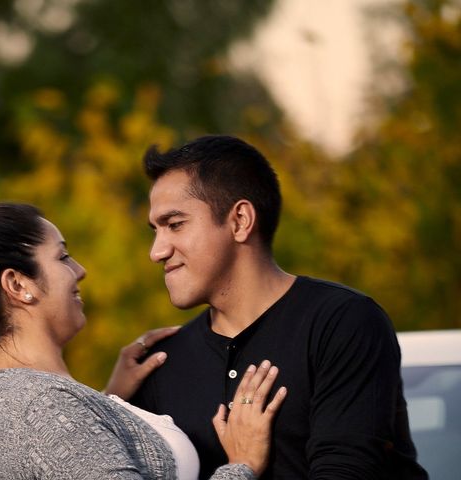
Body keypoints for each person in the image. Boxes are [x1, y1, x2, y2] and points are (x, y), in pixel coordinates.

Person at [0, 202, 287, 480]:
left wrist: (109, 404)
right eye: (62, 256)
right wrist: (241, 465)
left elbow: (71, 457)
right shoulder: (33, 409)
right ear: (18, 285)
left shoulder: (30, 403)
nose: (79, 269)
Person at [130, 135, 428, 479]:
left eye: (175, 225)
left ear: (240, 220)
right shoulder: (162, 363)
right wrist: (112, 397)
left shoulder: (342, 323)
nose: (157, 251)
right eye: (155, 230)